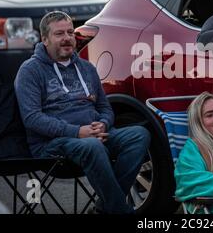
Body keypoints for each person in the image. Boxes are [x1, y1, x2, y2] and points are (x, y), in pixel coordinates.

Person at [14, 11, 150, 214]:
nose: (67, 38)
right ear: (44, 39)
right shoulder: (31, 71)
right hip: (51, 144)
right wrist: (77, 132)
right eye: (59, 33)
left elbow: (104, 107)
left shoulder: (87, 68)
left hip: (93, 136)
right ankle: (120, 210)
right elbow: (32, 118)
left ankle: (106, 207)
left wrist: (103, 123)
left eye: (70, 32)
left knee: (139, 135)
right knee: (93, 146)